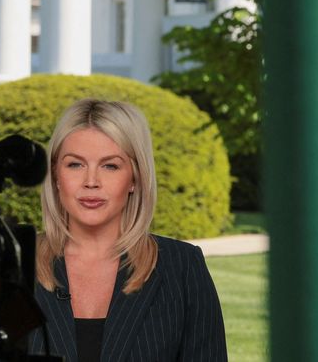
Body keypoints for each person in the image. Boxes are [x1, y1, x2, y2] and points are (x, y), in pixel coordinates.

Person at [27, 99, 227, 361]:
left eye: (110, 166)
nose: (91, 182)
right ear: (55, 175)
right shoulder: (15, 264)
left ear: (135, 177)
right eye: (75, 164)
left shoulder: (182, 267)